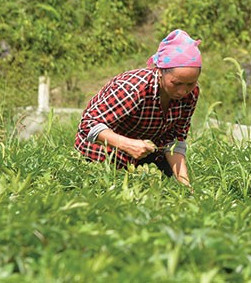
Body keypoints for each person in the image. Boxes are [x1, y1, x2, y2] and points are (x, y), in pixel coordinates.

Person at [74, 29, 202, 189]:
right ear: (160, 71)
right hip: (103, 152)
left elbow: (175, 140)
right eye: (176, 83)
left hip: (142, 155)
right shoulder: (133, 89)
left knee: (165, 192)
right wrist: (127, 145)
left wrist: (185, 185)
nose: (183, 91)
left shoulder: (191, 95)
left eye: (190, 84)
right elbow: (88, 124)